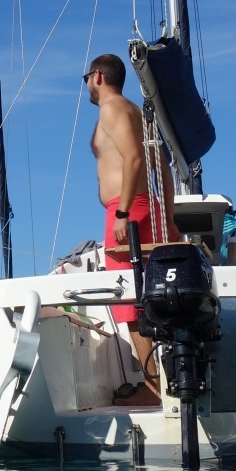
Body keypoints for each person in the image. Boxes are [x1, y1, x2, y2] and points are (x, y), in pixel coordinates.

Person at [86, 52, 177, 383]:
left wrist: (122, 213)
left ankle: (154, 386)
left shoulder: (111, 109)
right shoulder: (137, 113)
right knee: (151, 296)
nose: (87, 85)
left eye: (87, 78)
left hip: (126, 209)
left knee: (129, 301)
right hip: (147, 206)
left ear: (98, 77)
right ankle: (165, 379)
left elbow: (135, 158)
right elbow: (163, 168)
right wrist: (168, 218)